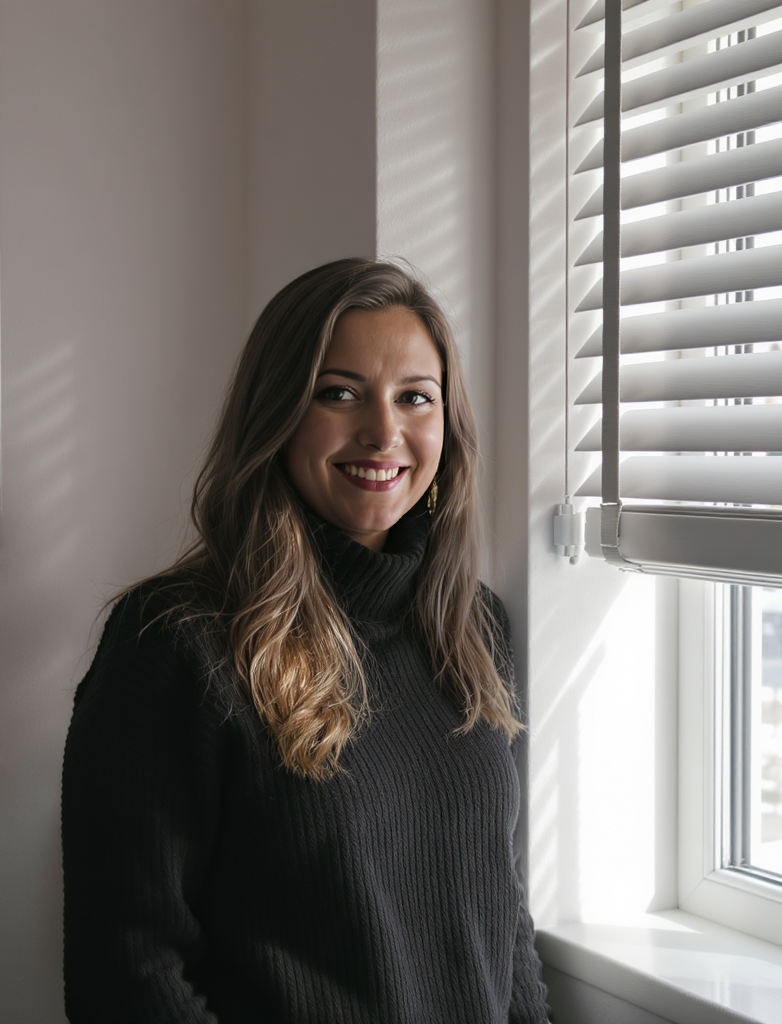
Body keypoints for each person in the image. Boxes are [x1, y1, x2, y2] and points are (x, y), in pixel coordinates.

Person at [61, 258, 552, 1024]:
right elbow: (127, 973)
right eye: (339, 392)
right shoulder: (175, 643)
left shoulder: (475, 627)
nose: (383, 432)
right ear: (278, 412)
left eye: (415, 397)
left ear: (448, 427)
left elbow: (500, 913)